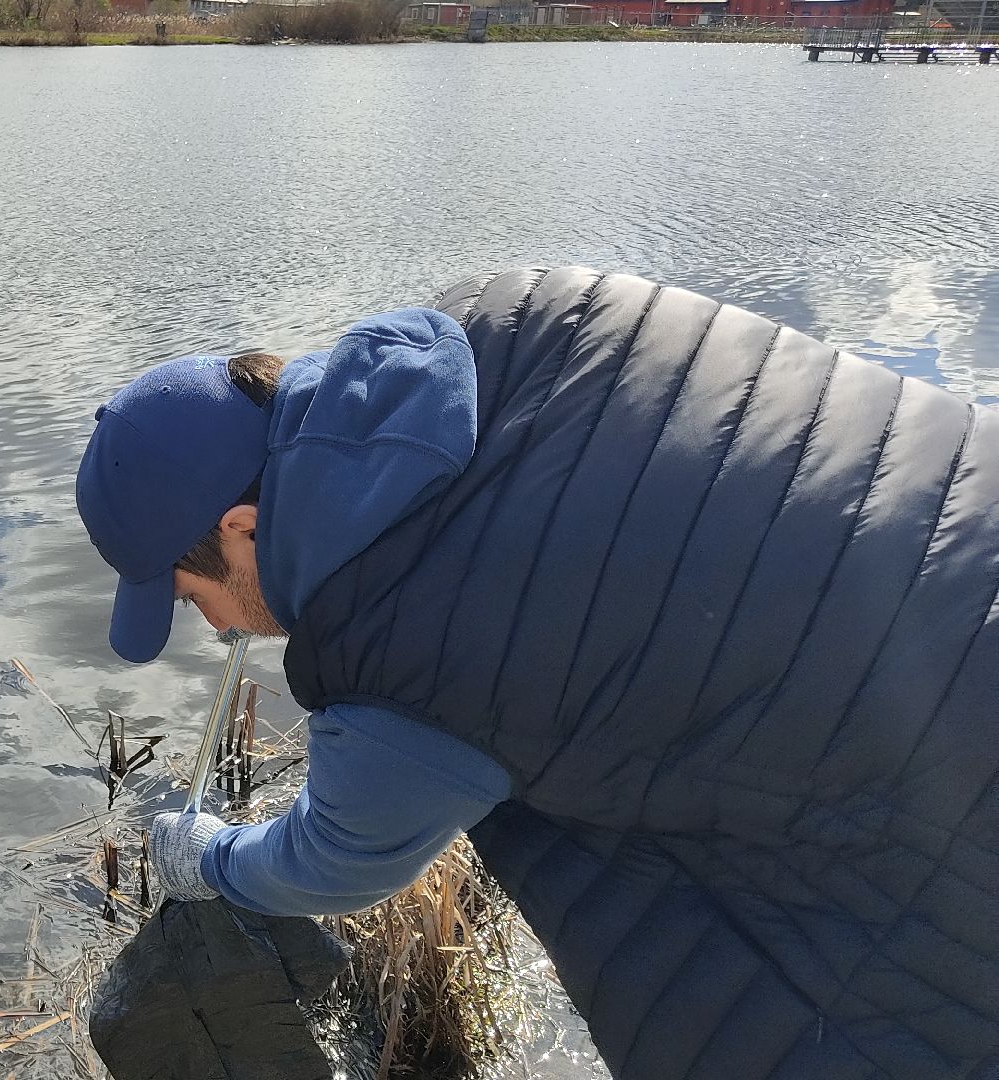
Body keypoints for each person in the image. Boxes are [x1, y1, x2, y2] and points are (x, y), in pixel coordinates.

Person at [75, 266, 999, 1079]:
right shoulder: (501, 316)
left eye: (196, 601)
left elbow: (330, 863)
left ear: (240, 530)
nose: (217, 629)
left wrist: (209, 858)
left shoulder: (403, 645)